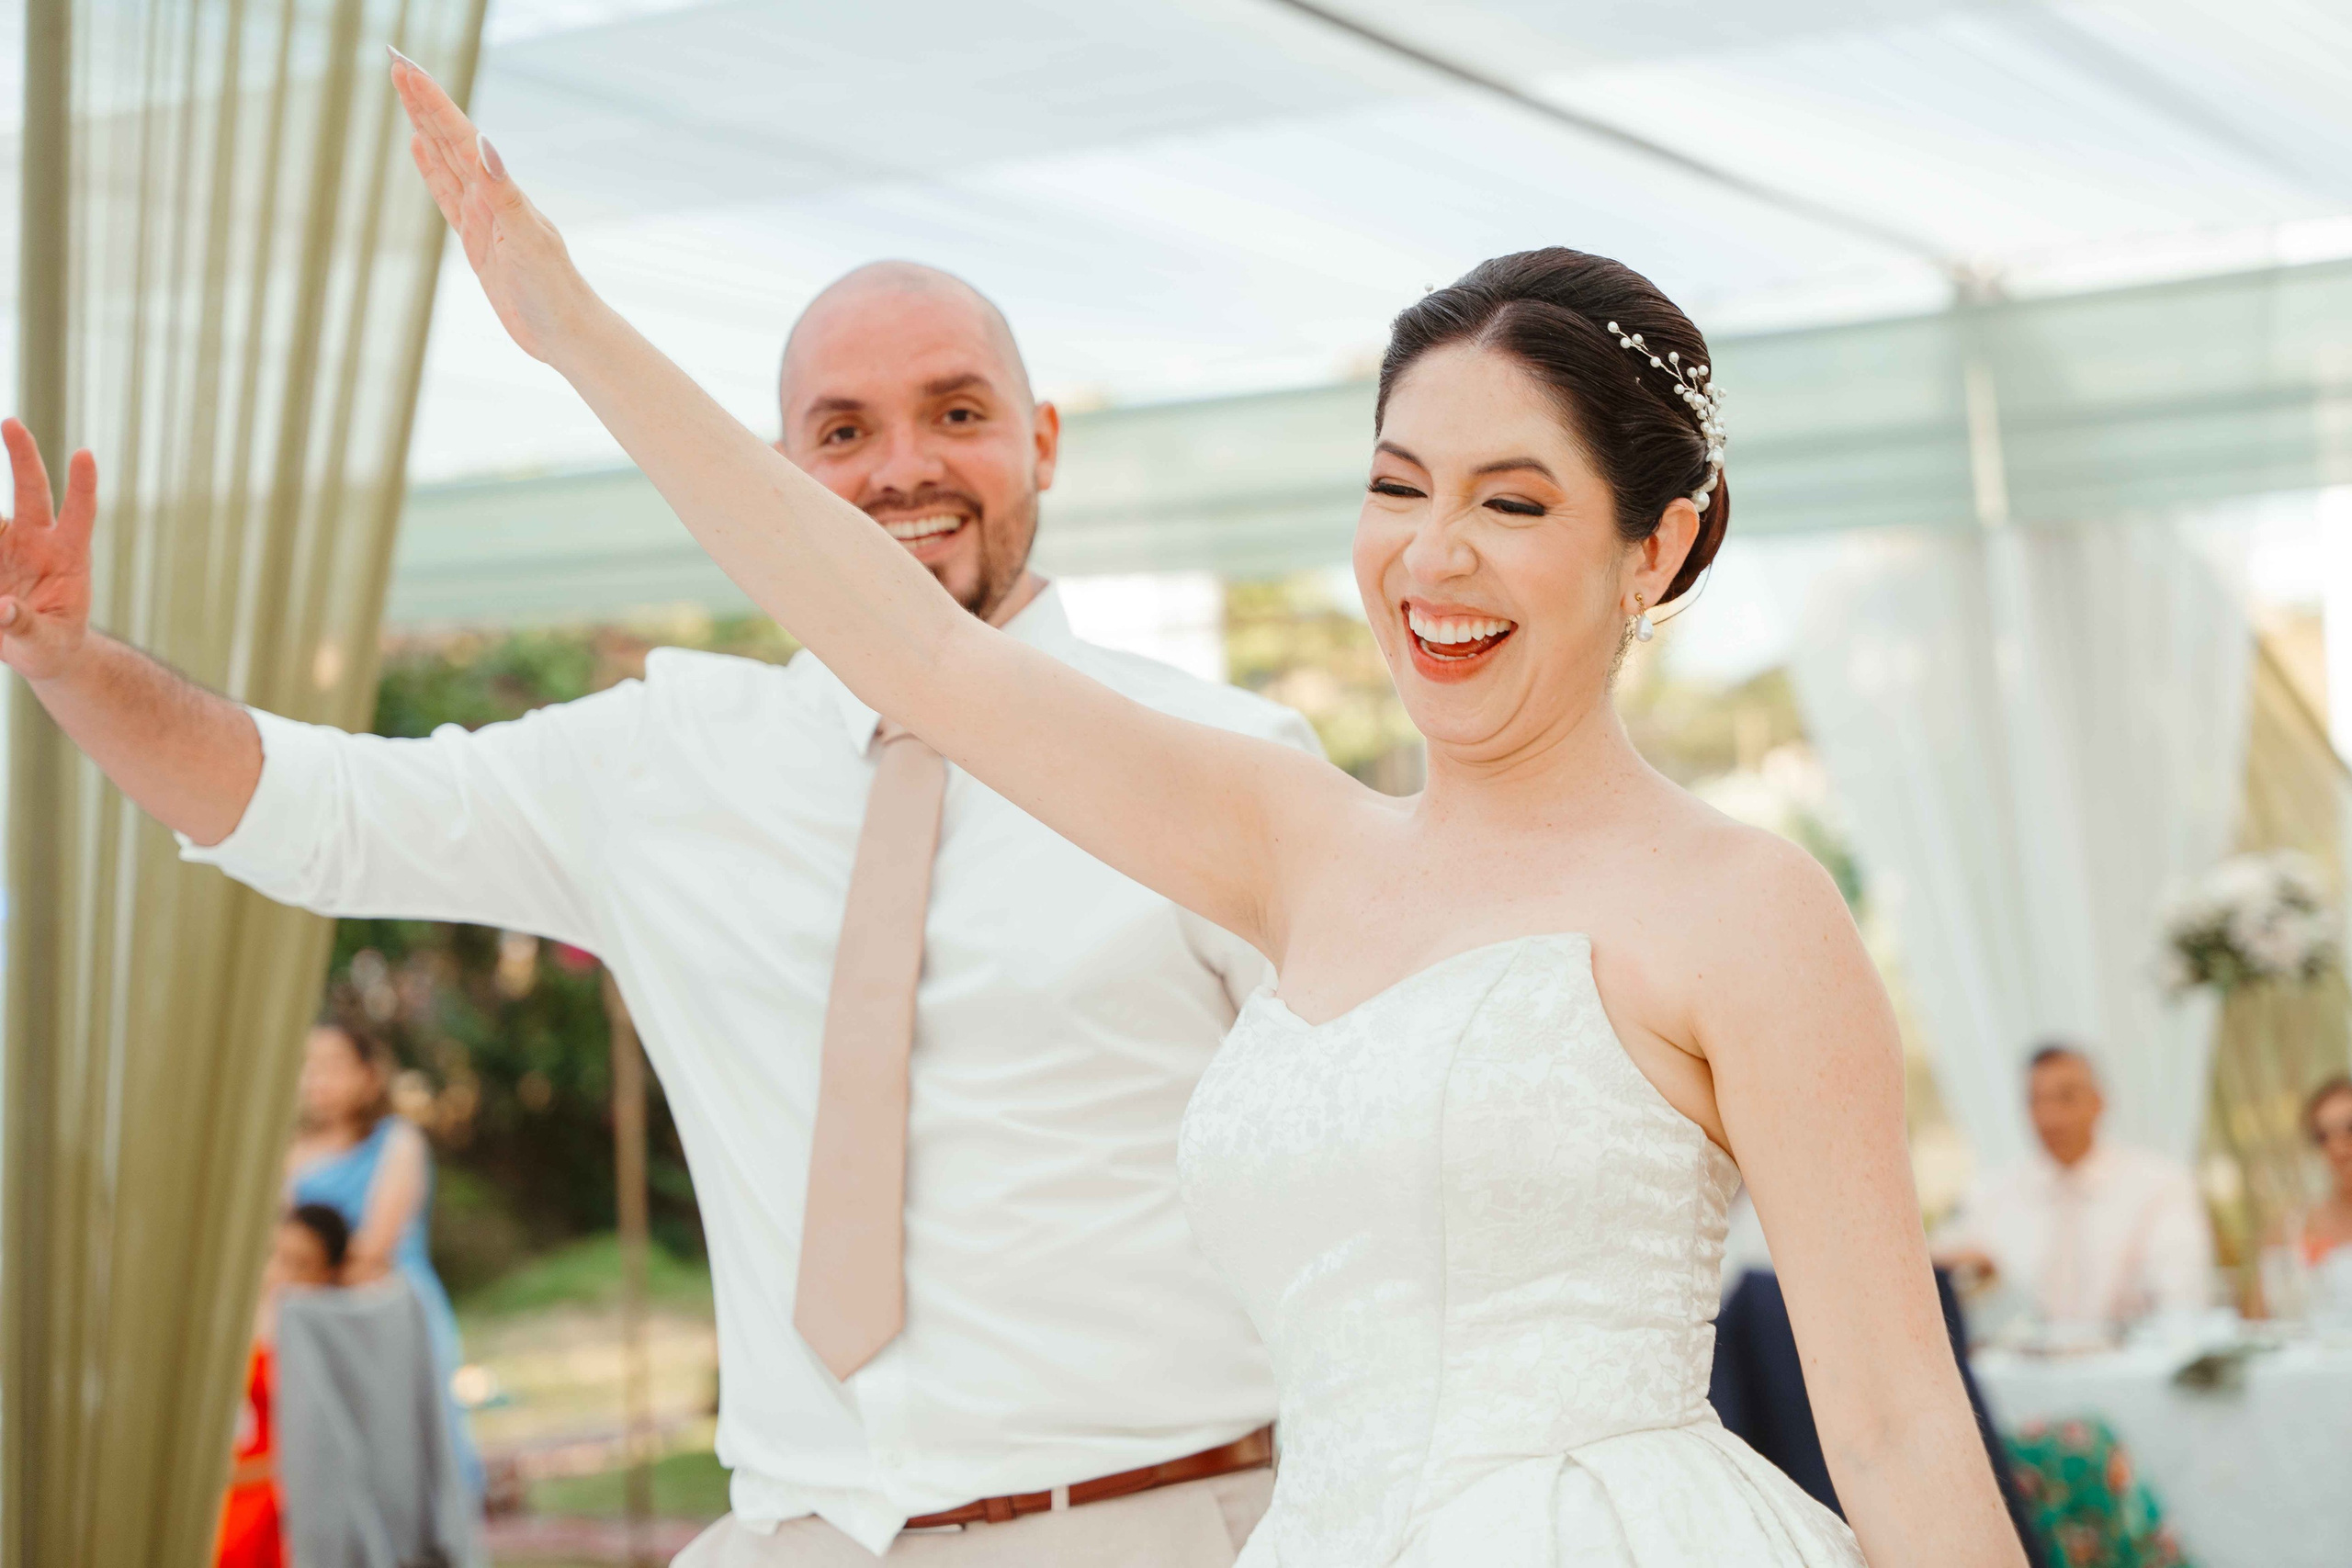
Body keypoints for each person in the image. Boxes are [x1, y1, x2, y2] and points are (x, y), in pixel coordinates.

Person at [358, 58, 2017, 1567]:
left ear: (1653, 547)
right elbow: (912, 647)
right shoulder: (1291, 843)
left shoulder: (1743, 907)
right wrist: (567, 324)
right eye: (1396, 487)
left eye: (1512, 502)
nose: (1431, 560)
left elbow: (1889, 1421)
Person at [0, 141, 1318, 1568]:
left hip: (1165, 1527)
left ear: (1044, 438)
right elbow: (308, 805)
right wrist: (69, 663)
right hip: (789, 1534)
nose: (904, 467)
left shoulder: (1227, 758)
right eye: (843, 430)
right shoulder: (659, 761)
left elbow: (1361, 1186)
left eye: (957, 411)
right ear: (774, 469)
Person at [285, 1019, 483, 1495]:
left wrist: (305, 1273)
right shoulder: (289, 1153)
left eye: (332, 1066)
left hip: (388, 1316)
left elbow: (375, 1249)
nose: (317, 1080)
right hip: (313, 1325)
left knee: (406, 1460)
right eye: (307, 1067)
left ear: (369, 1074)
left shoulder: (397, 1142)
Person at [1936, 1043, 2213, 1331]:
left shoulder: (2162, 1186)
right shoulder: (1989, 1194)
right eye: (2036, 1101)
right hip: (2014, 1371)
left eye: (2066, 1098)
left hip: (2133, 1368)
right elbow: (1942, 1266)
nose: (2050, 1116)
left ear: (2098, 1101)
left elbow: (2183, 1300)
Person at [217, 1204, 350, 1568]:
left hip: (285, 1484)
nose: (281, 1274)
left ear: (329, 1273)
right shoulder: (234, 1320)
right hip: (237, 1475)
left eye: (300, 1265)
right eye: (276, 1256)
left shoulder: (329, 1339)